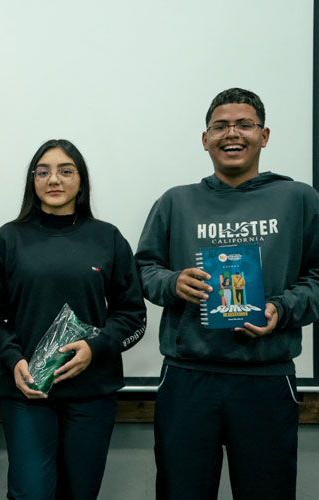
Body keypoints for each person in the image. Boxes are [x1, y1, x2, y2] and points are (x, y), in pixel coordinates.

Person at [135, 88, 319, 500]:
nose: (231, 134)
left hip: (266, 378)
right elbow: (144, 271)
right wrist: (173, 283)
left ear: (265, 135)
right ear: (205, 139)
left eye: (244, 125)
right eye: (220, 126)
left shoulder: (299, 199)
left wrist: (281, 309)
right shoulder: (175, 202)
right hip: (187, 378)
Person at [0, 139, 147, 500]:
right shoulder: (8, 239)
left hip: (91, 395)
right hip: (27, 393)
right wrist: (13, 360)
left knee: (79, 493)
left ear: (81, 181)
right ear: (33, 181)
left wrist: (95, 347)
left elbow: (133, 317)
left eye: (65, 171)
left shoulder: (108, 238)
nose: (53, 179)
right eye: (43, 171)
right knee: (31, 493)